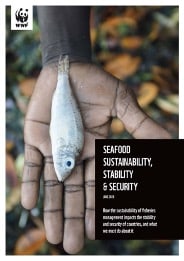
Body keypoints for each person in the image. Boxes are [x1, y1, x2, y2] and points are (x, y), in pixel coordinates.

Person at [21, 6, 171, 254]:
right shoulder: (71, 147)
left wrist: (62, 48)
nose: (64, 166)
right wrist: (63, 49)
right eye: (69, 164)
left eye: (68, 164)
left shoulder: (70, 147)